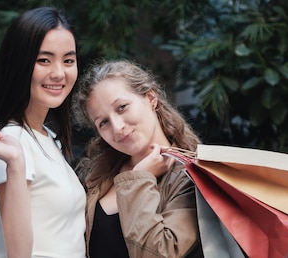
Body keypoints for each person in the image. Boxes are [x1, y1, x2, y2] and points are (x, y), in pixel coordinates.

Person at [0, 6, 85, 258]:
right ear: (20, 64)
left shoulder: (47, 136)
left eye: (68, 60)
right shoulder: (12, 142)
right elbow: (14, 253)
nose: (58, 73)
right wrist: (14, 161)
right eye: (43, 60)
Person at [72, 59, 204, 258]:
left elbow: (161, 254)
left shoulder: (190, 177)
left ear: (151, 98)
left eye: (122, 107)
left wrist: (141, 178)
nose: (117, 127)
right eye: (103, 122)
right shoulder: (95, 176)